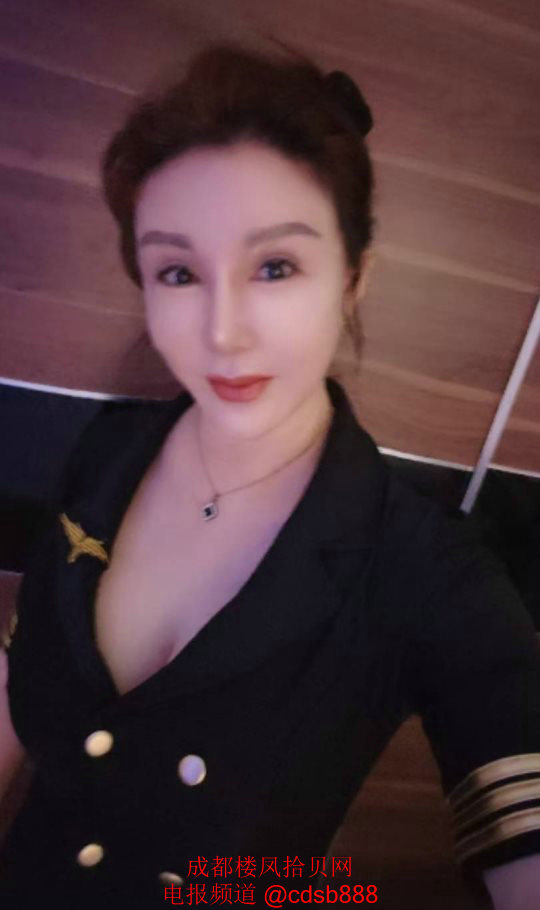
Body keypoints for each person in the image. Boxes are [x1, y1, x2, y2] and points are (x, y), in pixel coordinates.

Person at [1, 37, 540, 909]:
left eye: (276, 266)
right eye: (179, 271)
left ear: (353, 279)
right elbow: (20, 665)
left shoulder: (427, 574)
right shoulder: (110, 447)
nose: (224, 332)